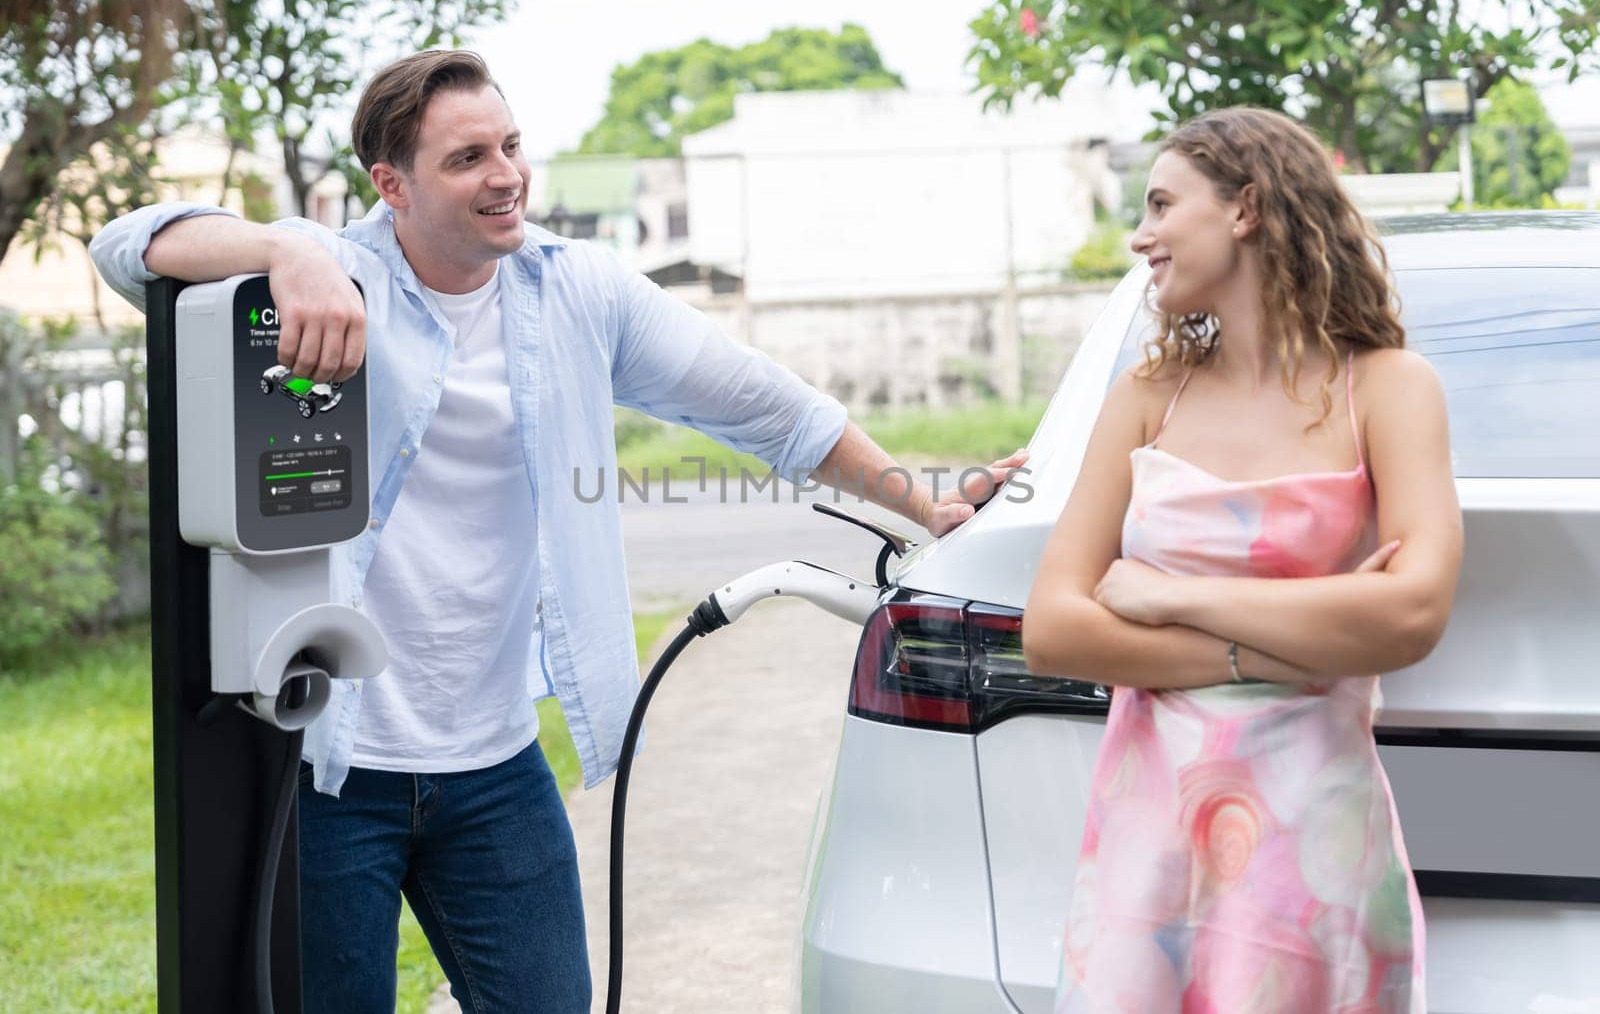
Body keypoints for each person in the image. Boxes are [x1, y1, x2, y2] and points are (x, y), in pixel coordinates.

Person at [90, 49, 1024, 1014]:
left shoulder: (580, 290)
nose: (505, 175)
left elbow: (766, 407)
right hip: (339, 765)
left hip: (493, 763)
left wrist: (928, 502)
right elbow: (127, 243)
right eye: (466, 159)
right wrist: (286, 254)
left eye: (511, 145)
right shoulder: (339, 266)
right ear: (391, 184)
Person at [1021, 107, 1462, 1013]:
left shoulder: (1386, 387)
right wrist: (1303, 643)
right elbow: (1053, 628)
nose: (1140, 236)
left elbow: (1414, 614)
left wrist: (1165, 597)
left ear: (1246, 209)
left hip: (1316, 857)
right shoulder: (1147, 397)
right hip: (1150, 862)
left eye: (1160, 204)